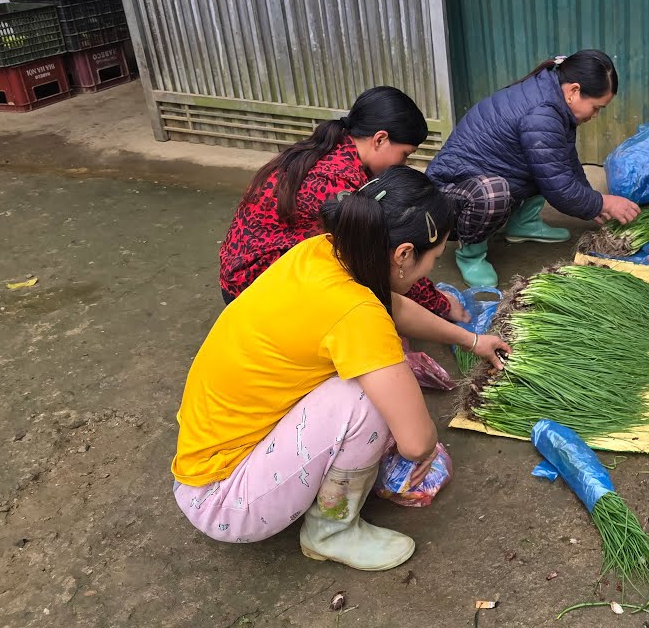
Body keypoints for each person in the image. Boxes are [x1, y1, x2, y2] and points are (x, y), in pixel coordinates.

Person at [173, 166, 510, 570]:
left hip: (207, 459)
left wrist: (470, 340)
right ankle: (331, 530)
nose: (430, 272)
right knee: (364, 397)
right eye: (432, 260)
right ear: (403, 255)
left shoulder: (321, 251)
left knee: (378, 366)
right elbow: (418, 442)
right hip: (225, 501)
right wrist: (418, 442)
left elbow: (391, 305)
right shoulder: (357, 314)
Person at [219, 86, 464, 321]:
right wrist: (440, 305)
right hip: (249, 291)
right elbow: (385, 255)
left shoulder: (337, 148)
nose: (403, 164)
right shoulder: (335, 184)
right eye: (405, 155)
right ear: (379, 140)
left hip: (245, 272)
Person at [426, 50, 640, 287]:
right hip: (449, 197)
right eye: (596, 107)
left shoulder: (553, 97)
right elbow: (560, 189)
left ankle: (522, 224)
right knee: (494, 193)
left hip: (480, 178)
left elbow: (563, 162)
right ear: (574, 91)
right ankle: (471, 254)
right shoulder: (542, 114)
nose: (596, 115)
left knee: (544, 165)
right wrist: (602, 203)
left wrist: (592, 199)